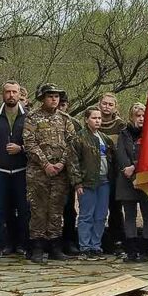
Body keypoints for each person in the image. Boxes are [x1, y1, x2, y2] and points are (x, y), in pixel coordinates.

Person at [23, 83, 77, 263]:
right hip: (38, 172)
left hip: (60, 173)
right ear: (42, 98)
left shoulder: (65, 118)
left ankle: (55, 245)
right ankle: (37, 247)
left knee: (56, 210)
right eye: (50, 96)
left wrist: (62, 163)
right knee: (38, 209)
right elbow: (29, 143)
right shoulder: (32, 117)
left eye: (56, 96)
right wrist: (45, 164)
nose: (54, 99)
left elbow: (72, 143)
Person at [0, 81, 29, 259]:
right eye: (8, 92)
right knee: (1, 210)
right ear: (3, 94)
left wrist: (21, 148)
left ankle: (24, 245)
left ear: (19, 94)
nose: (11, 95)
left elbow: (36, 142)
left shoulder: (28, 117)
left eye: (14, 92)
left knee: (24, 210)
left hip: (22, 170)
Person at [72, 106, 116, 261]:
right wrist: (77, 182)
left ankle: (96, 245)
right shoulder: (79, 138)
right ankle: (85, 247)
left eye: (99, 118)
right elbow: (73, 162)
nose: (97, 121)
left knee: (101, 215)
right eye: (94, 118)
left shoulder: (105, 138)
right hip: (87, 182)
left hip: (104, 181)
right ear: (86, 119)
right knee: (86, 215)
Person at [116, 102, 148, 262]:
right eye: (137, 116)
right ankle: (131, 250)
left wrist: (136, 167)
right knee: (130, 216)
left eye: (143, 115)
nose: (140, 119)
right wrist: (129, 170)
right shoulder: (124, 133)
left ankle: (145, 250)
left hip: (146, 179)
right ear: (131, 117)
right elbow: (121, 154)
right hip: (127, 180)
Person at [97, 93, 126, 255]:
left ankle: (117, 240)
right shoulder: (93, 121)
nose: (107, 107)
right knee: (98, 208)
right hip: (97, 171)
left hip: (115, 172)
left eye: (110, 104)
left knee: (115, 208)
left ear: (115, 107)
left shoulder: (120, 125)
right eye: (104, 103)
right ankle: (97, 240)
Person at [58, 93, 82, 256]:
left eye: (63, 104)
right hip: (45, 171)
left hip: (67, 173)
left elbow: (78, 149)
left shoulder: (73, 123)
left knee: (68, 209)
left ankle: (68, 240)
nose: (61, 108)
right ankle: (48, 242)